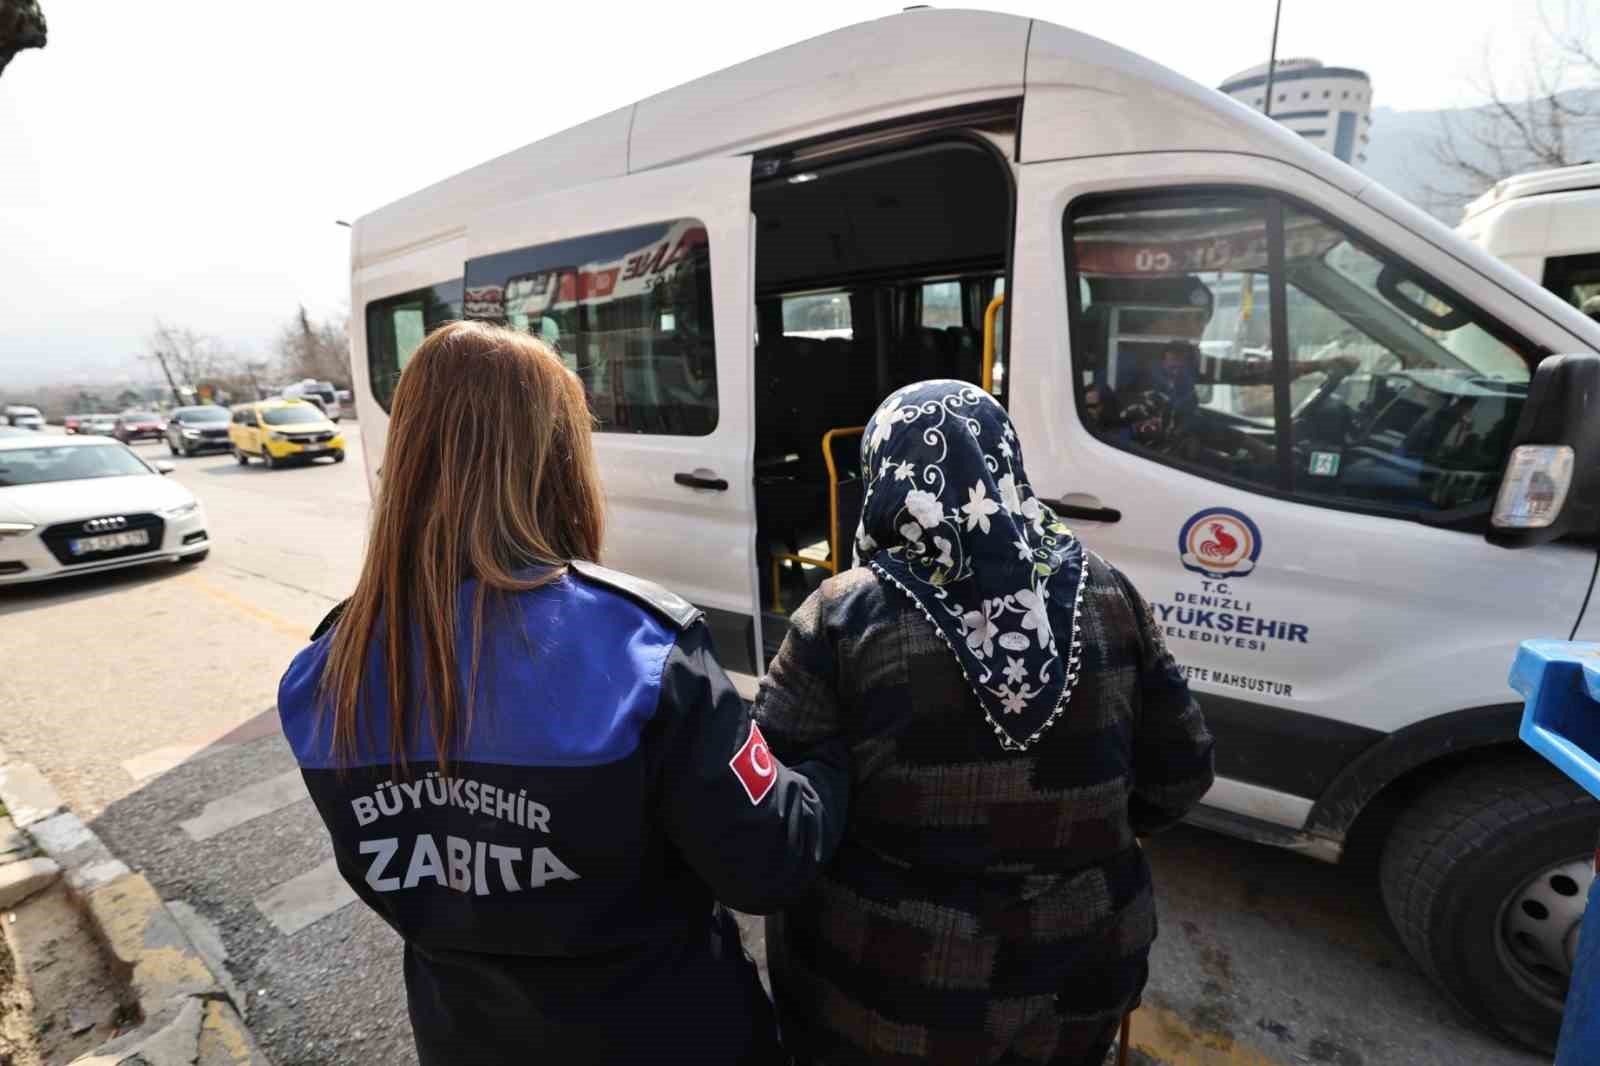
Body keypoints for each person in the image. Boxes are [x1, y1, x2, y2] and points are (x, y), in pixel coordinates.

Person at [276, 320, 848, 1066]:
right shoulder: (639, 648)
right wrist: (830, 755)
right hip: (669, 1037)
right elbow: (770, 860)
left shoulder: (325, 672)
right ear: (556, 460)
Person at [756, 379, 1215, 1066]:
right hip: (1081, 975)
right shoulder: (1109, 591)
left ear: (885, 477)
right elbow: (1181, 775)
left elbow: (775, 811)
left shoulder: (841, 618)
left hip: (884, 992)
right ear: (1006, 464)